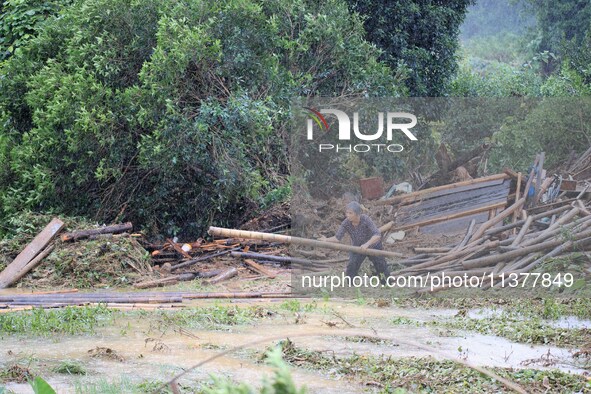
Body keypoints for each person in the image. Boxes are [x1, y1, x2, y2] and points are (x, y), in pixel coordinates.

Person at [321, 201, 391, 282]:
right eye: (347, 213)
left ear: (357, 214)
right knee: (351, 266)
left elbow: (377, 235)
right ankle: (351, 286)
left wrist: (367, 244)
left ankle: (386, 283)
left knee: (381, 265)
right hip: (357, 247)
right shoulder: (346, 223)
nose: (348, 215)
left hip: (373, 245)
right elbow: (337, 238)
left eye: (350, 213)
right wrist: (326, 240)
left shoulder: (365, 219)